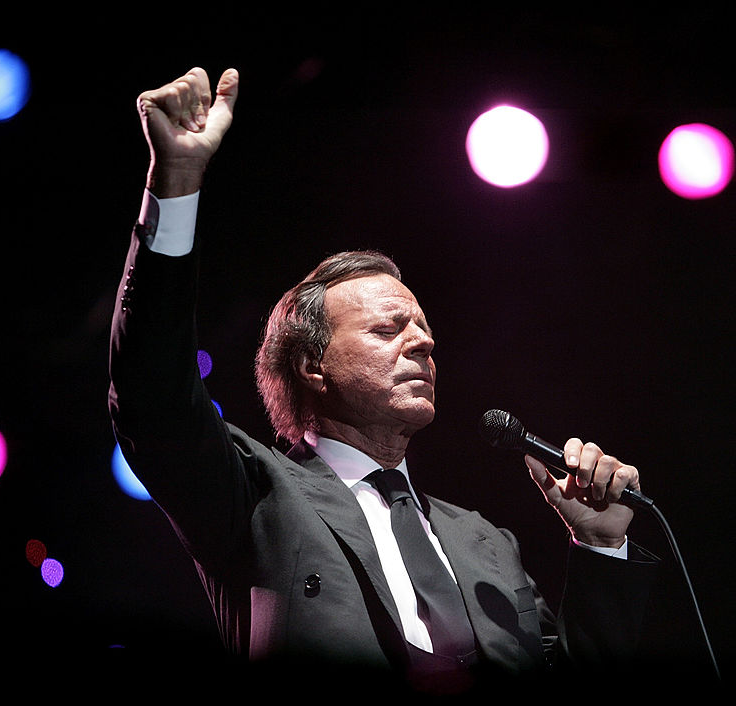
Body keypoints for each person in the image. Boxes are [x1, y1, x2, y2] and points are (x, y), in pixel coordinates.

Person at [108, 67, 659, 692]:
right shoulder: (256, 497)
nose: (423, 341)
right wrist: (175, 188)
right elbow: (154, 394)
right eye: (386, 329)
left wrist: (600, 550)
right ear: (312, 365)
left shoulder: (484, 543)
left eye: (422, 327)